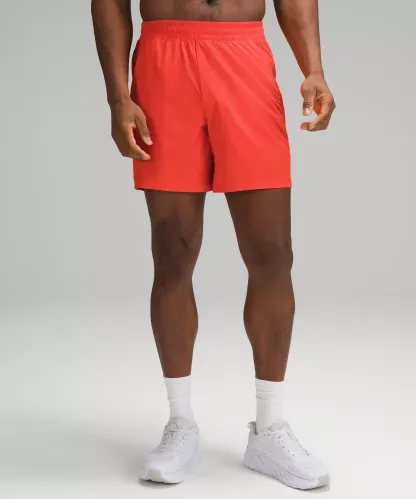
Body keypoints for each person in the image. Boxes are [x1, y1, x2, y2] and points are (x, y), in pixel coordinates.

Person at [91, 0, 335, 489]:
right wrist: (118, 96)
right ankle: (180, 423)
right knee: (173, 251)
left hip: (244, 55)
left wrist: (314, 69)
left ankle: (269, 429)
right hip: (163, 60)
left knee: (272, 253)